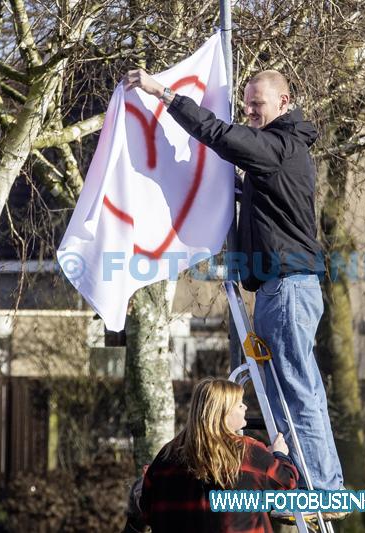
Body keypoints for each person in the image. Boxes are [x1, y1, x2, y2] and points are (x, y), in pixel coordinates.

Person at [123, 68, 343, 491]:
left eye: (256, 106)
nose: (250, 114)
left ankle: (326, 488)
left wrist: (164, 94)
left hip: (289, 287)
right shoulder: (279, 155)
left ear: (284, 102)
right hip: (279, 288)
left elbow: (222, 135)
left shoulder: (280, 146)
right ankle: (307, 485)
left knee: (298, 389)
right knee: (282, 393)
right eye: (246, 107)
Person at [136, 377, 298, 533]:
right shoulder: (248, 451)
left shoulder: (167, 454)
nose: (246, 408)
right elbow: (287, 483)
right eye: (239, 405)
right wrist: (279, 455)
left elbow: (146, 510)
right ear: (223, 413)